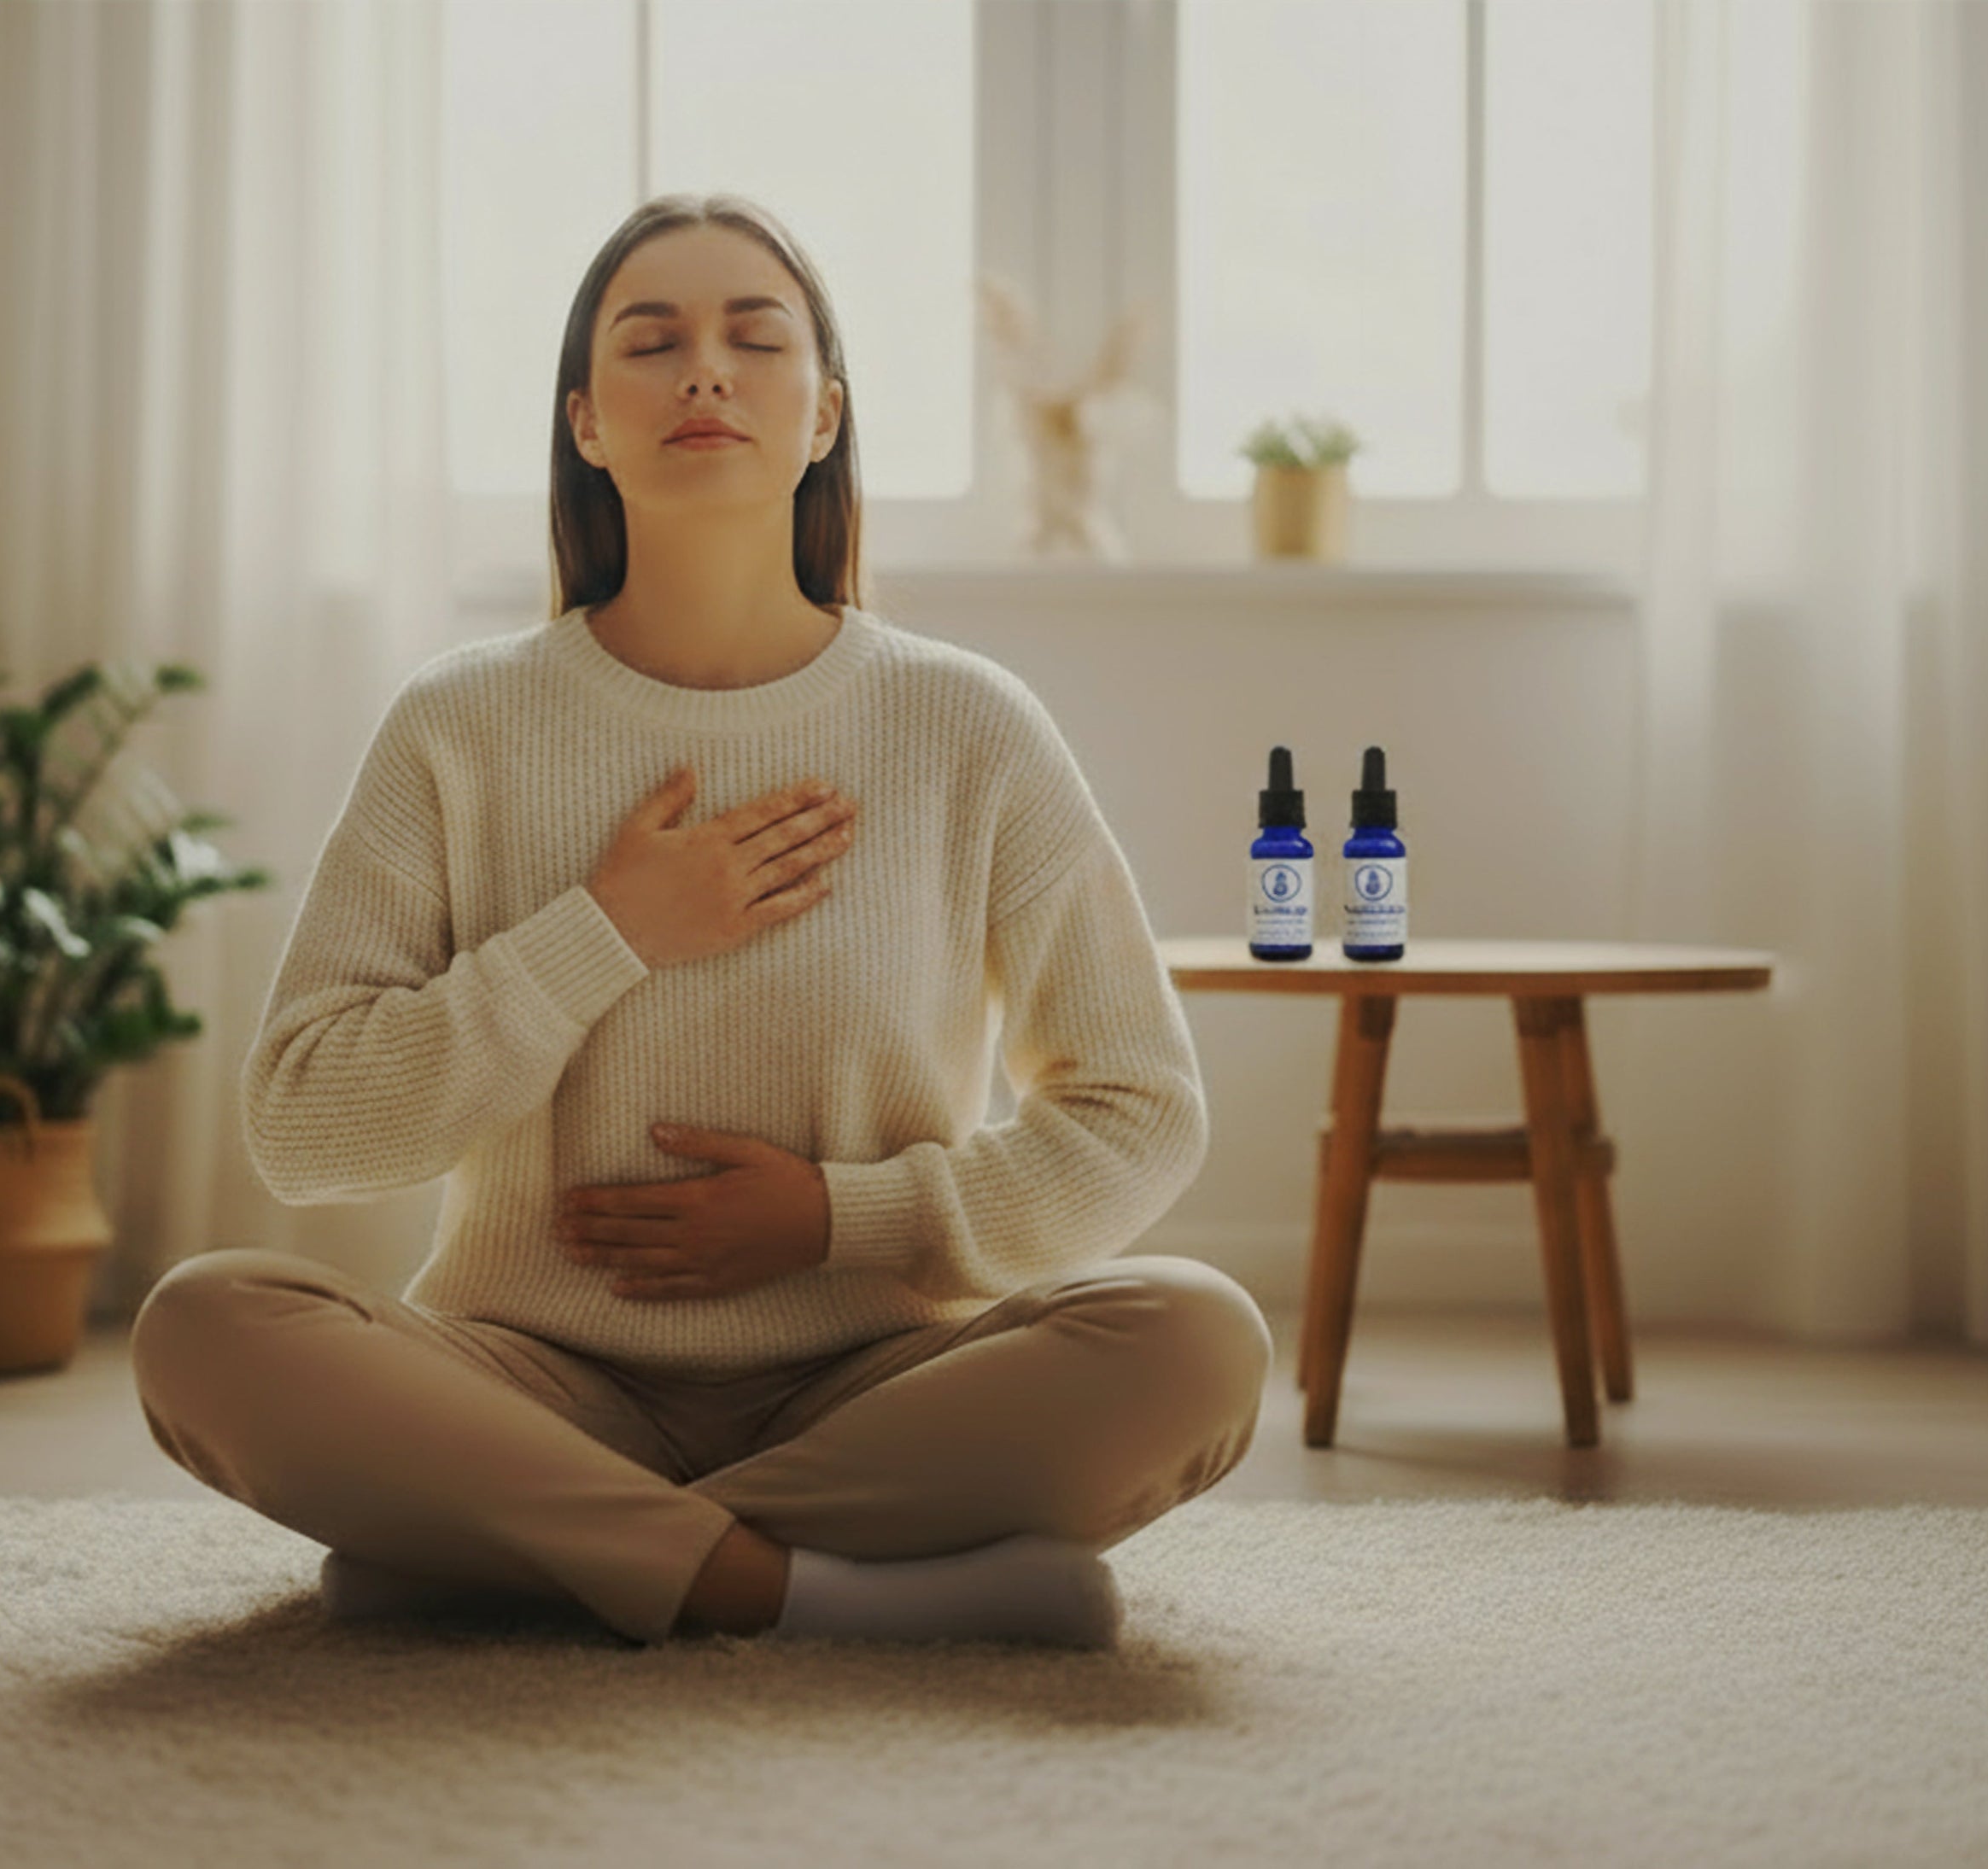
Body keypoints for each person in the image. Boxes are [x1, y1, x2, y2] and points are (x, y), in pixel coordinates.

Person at [127, 195, 1270, 1650]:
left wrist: (840, 1219)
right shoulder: (458, 726)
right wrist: (605, 929)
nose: (706, 372)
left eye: (755, 337)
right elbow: (308, 1123)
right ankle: (786, 1586)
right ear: (589, 423)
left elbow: (1140, 1110)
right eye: (652, 341)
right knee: (208, 1326)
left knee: (1194, 1338)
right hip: (530, 1377)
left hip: (878, 1382)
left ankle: (517, 1544)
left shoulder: (966, 723)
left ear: (824, 414)